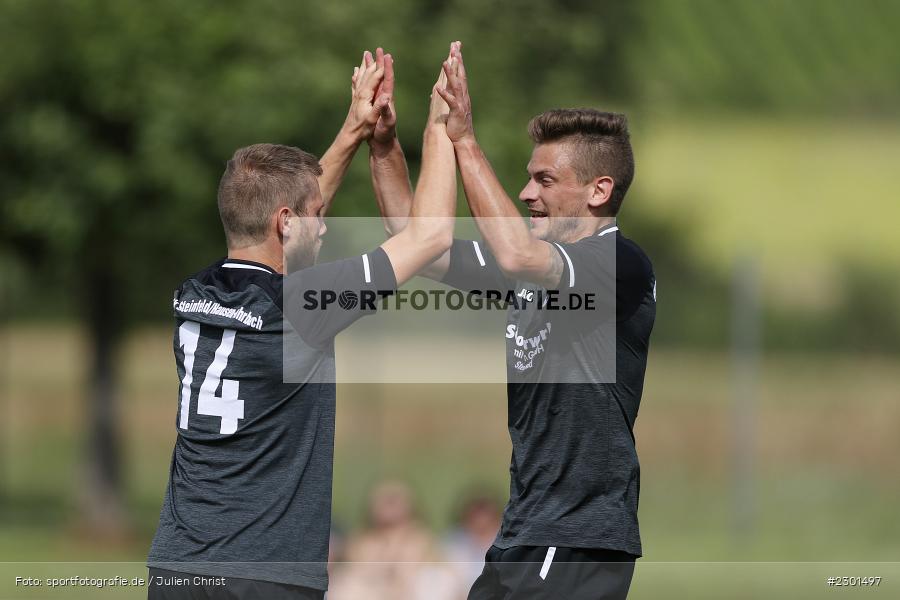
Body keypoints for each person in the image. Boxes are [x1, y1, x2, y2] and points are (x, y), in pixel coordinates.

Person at [146, 49, 457, 600]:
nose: (327, 224)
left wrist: (356, 128)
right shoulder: (306, 305)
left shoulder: (193, 294)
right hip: (266, 575)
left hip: (178, 567)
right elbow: (428, 237)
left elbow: (288, 222)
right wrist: (441, 127)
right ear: (287, 221)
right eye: (318, 214)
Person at [374, 42, 656, 599]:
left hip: (577, 533)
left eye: (545, 181)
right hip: (525, 528)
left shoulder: (619, 263)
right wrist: (384, 143)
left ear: (599, 191)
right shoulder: (531, 262)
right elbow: (413, 240)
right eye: (529, 178)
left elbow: (515, 254)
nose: (527, 192)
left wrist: (465, 139)